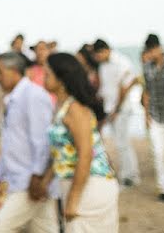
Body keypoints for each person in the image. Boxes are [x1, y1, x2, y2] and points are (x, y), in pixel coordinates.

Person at [0, 52, 56, 233]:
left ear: (14, 71)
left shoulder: (33, 96)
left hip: (29, 183)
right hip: (20, 181)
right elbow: (10, 148)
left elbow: (43, 142)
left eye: (0, 72)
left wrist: (37, 178)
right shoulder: (13, 99)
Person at [42, 53, 119, 232]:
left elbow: (85, 154)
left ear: (61, 79)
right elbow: (64, 153)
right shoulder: (62, 107)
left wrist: (73, 200)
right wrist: (45, 181)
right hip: (78, 185)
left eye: (47, 74)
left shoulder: (75, 110)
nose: (43, 77)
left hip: (92, 187)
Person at [93, 38, 140, 185]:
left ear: (105, 50)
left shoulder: (121, 61)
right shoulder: (103, 66)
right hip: (110, 108)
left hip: (122, 109)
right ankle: (127, 175)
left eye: (98, 54)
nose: (97, 58)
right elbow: (105, 89)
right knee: (120, 143)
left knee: (123, 143)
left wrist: (117, 110)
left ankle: (130, 176)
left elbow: (124, 87)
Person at [141, 33, 164, 201]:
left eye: (154, 49)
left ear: (159, 47)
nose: (152, 52)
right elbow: (146, 92)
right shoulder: (147, 67)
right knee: (158, 153)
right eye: (150, 50)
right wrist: (146, 114)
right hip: (155, 115)